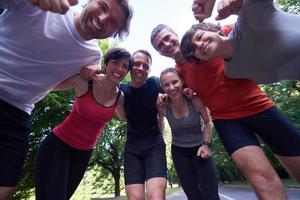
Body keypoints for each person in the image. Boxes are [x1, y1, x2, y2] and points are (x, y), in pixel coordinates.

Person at [151, 24, 300, 200]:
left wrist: (219, 25)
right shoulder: (179, 74)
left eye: (168, 38)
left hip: (259, 107)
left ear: (176, 34)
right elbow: (174, 91)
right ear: (160, 53)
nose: (166, 44)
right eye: (161, 45)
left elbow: (240, 27)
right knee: (260, 178)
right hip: (227, 121)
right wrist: (164, 97)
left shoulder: (203, 40)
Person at [0, 0, 132, 198]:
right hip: (58, 144)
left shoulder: (92, 57)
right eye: (102, 6)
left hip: (19, 112)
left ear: (114, 33)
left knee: (5, 190)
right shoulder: (48, 6)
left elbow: (60, 83)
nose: (103, 19)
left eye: (113, 22)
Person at [34, 47, 132, 200]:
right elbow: (52, 85)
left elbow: (125, 117)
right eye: (115, 62)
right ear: (105, 64)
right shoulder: (85, 81)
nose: (120, 68)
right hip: (58, 146)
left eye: (125, 66)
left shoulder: (120, 97)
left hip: (83, 154)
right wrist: (80, 68)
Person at [190, 0, 300, 84]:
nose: (199, 45)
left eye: (199, 37)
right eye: (194, 49)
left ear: (214, 30)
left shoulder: (248, 18)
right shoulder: (232, 72)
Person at [158, 67, 220, 200]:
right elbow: (160, 127)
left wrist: (206, 144)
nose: (171, 87)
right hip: (179, 152)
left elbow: (208, 122)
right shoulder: (163, 105)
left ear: (181, 81)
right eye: (166, 85)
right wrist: (159, 113)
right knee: (193, 195)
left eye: (174, 82)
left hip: (200, 148)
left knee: (211, 195)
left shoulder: (194, 99)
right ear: (162, 88)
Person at [116, 50, 167, 200]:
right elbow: (122, 117)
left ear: (149, 70)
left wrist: (164, 99)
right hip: (132, 147)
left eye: (145, 66)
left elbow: (173, 91)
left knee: (156, 196)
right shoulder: (122, 89)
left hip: (154, 145)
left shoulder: (155, 83)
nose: (141, 68)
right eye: (137, 64)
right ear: (130, 66)